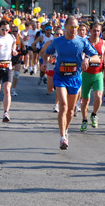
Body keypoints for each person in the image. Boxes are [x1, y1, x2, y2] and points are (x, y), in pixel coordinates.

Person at [41, 16, 99, 149]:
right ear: (65, 27)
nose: (74, 30)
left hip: (75, 78)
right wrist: (45, 63)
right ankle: (62, 137)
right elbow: (46, 53)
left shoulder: (82, 42)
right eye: (71, 27)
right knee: (63, 105)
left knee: (71, 110)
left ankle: (65, 130)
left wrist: (88, 60)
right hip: (60, 77)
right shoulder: (57, 41)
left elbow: (96, 57)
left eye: (76, 27)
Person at [80, 23, 105, 131]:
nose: (96, 33)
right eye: (94, 31)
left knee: (98, 97)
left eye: (98, 31)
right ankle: (84, 120)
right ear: (90, 30)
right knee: (85, 101)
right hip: (86, 74)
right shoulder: (85, 42)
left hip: (98, 74)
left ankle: (94, 114)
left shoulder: (104, 43)